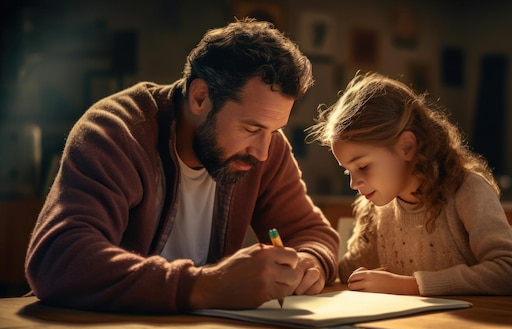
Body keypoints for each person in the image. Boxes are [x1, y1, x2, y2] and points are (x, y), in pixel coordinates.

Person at [25, 18, 339, 313]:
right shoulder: (117, 131)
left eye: (274, 131)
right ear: (201, 97)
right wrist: (206, 286)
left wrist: (311, 261)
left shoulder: (265, 149)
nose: (262, 153)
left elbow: (311, 233)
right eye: (251, 129)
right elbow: (57, 259)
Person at [307, 72, 512, 296]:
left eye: (363, 166)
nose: (354, 184)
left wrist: (408, 286)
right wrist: (310, 266)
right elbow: (347, 272)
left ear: (406, 147)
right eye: (348, 171)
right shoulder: (378, 207)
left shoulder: (467, 190)